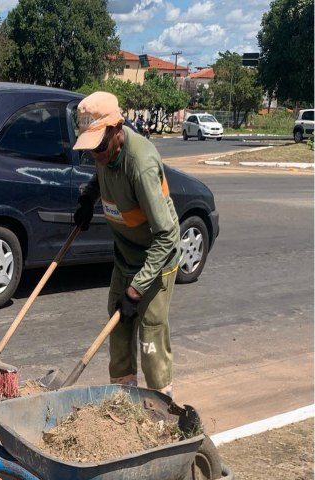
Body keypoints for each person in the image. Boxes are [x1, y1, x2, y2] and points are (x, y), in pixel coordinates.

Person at [72, 91, 180, 398]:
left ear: (118, 129)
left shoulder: (140, 165)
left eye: (100, 145)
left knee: (150, 335)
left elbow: (167, 235)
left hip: (157, 261)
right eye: (90, 147)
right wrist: (86, 198)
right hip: (126, 256)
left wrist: (136, 289)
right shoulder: (105, 151)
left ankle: (162, 408)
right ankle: (123, 402)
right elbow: (100, 174)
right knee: (117, 329)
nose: (96, 154)